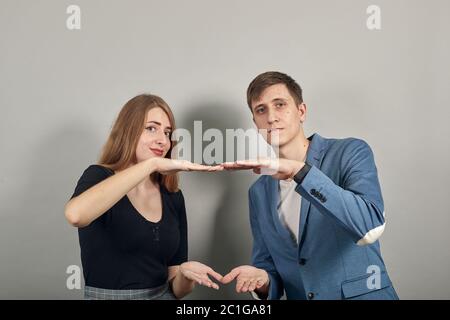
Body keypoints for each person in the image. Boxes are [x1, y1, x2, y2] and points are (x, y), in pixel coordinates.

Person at [221, 71, 399, 300]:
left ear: (301, 111)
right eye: (261, 110)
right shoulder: (258, 192)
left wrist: (300, 172)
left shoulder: (350, 152)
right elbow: (269, 268)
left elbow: (369, 227)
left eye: (280, 104)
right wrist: (262, 280)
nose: (271, 117)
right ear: (256, 123)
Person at [65, 94, 223, 300]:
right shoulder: (98, 176)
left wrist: (185, 274)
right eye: (151, 128)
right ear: (128, 131)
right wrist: (152, 164)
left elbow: (177, 289)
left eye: (167, 133)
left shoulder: (172, 195)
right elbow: (75, 215)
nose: (162, 140)